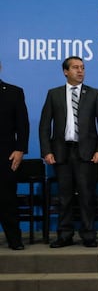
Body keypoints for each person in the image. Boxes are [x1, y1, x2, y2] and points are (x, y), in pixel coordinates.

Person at [39, 56, 98, 248]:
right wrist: (46, 151)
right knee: (65, 197)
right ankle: (65, 234)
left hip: (87, 153)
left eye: (83, 68)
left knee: (87, 196)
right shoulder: (54, 94)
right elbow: (44, 125)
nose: (80, 71)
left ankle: (88, 234)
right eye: (76, 68)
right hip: (62, 152)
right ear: (65, 71)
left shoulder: (94, 93)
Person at [0, 61, 30, 250]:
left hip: (5, 156)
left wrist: (20, 150)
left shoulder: (13, 92)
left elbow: (23, 125)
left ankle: (14, 239)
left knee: (7, 200)